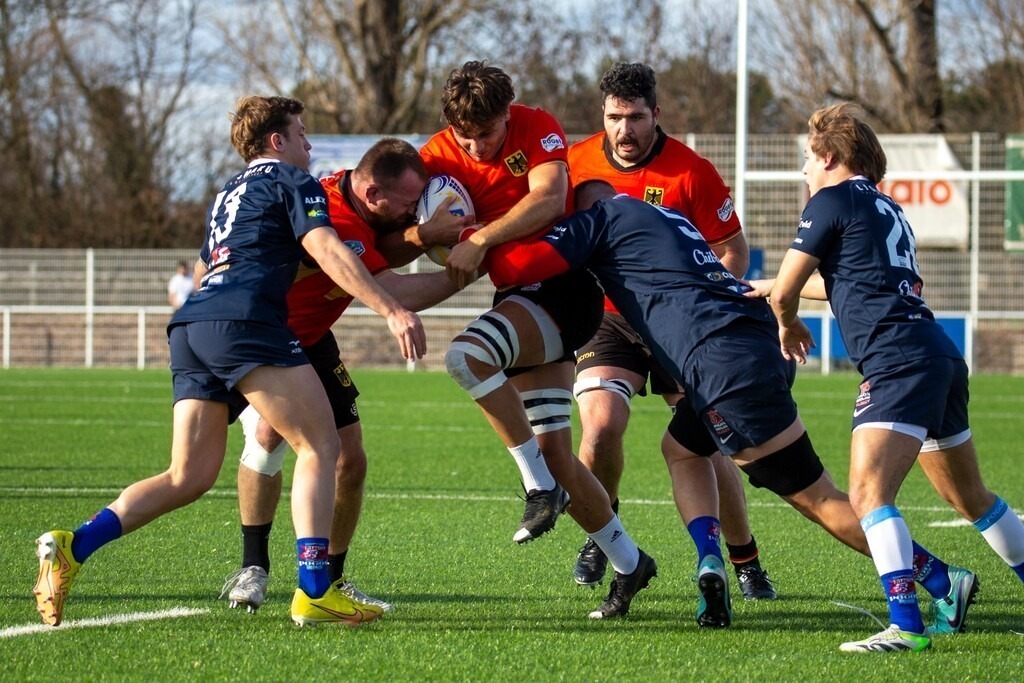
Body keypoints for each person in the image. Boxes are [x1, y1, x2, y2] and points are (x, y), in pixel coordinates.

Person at [483, 180, 980, 632]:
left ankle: (941, 580)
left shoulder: (600, 218)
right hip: (747, 342)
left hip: (725, 366)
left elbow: (519, 266)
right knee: (681, 449)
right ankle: (709, 559)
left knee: (820, 500)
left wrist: (473, 240)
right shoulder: (661, 214)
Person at [32, 96, 426, 628]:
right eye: (302, 133)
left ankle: (73, 545)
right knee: (320, 443)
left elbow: (202, 268)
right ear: (276, 141)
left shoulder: (227, 193)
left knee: (187, 476)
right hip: (245, 321)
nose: (310, 144)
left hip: (192, 324)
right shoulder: (294, 181)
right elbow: (330, 251)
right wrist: (392, 309)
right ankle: (314, 591)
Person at [755, 102, 1024, 653]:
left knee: (867, 492)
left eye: (809, 158)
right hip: (937, 355)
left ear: (829, 156)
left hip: (898, 362)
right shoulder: (886, 207)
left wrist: (784, 320)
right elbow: (843, 284)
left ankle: (906, 624)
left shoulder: (828, 199)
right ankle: (937, 601)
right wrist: (769, 287)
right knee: (972, 496)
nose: (805, 169)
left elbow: (789, 293)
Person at [423, 61, 657, 619]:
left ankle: (537, 489)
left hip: (562, 292)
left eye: (488, 133)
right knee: (557, 453)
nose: (477, 147)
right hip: (517, 300)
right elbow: (407, 233)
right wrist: (420, 243)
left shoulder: (535, 125)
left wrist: (478, 237)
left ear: (508, 114)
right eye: (466, 136)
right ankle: (630, 564)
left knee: (466, 357)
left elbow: (550, 198)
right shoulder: (433, 157)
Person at [220, 137, 472, 614]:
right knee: (265, 440)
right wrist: (470, 266)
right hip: (267, 336)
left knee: (350, 461)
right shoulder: (332, 213)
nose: (411, 214)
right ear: (375, 194)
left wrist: (426, 234)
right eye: (406, 205)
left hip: (313, 339)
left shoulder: (357, 202)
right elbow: (391, 285)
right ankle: (254, 566)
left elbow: (384, 248)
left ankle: (330, 582)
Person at [564, 62, 775, 599]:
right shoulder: (574, 164)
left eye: (635, 117)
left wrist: (700, 301)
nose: (624, 130)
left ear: (655, 114)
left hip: (678, 322)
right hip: (608, 317)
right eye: (614, 117)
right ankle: (604, 531)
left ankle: (745, 559)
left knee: (708, 443)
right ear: (602, 115)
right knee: (600, 426)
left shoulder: (691, 172)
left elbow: (734, 251)